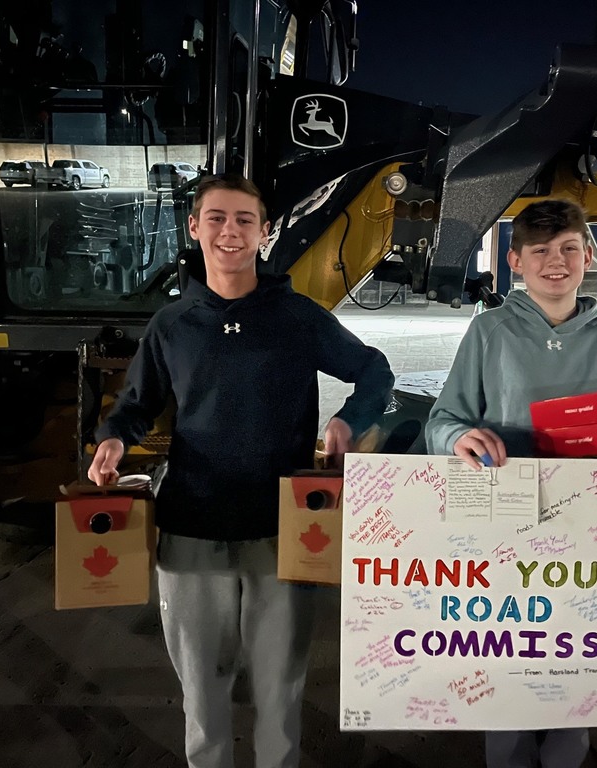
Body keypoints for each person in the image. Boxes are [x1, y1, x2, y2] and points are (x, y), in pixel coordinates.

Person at [88, 173, 394, 768]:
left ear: (265, 232)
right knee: (203, 690)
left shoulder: (298, 317)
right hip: (191, 526)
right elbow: (135, 407)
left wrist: (348, 421)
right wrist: (113, 443)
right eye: (218, 219)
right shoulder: (172, 325)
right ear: (195, 227)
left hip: (286, 530)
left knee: (281, 686)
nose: (231, 232)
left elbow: (375, 371)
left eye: (245, 220)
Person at [424, 199, 597, 768]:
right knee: (507, 664)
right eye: (540, 251)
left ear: (587, 258)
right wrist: (458, 439)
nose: (556, 262)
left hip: (589, 530)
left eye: (569, 250)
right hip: (506, 526)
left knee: (576, 659)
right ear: (515, 261)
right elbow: (443, 420)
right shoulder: (489, 333)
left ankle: (567, 754)